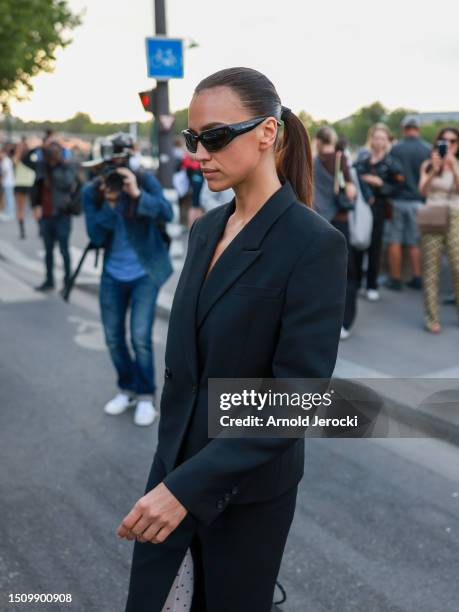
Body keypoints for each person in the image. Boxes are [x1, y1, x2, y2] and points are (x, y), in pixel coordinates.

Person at [117, 67, 347, 612]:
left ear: (267, 133)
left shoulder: (315, 244)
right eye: (193, 139)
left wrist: (188, 487)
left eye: (215, 137)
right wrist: (171, 476)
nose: (200, 152)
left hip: (244, 494)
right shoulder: (204, 229)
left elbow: (299, 399)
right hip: (172, 470)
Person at [82, 133, 174, 427]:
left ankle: (146, 396)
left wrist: (136, 195)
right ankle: (128, 389)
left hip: (145, 272)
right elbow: (95, 236)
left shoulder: (144, 181)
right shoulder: (92, 191)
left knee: (140, 338)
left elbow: (168, 212)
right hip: (112, 274)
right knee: (112, 337)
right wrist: (109, 204)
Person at [313, 125, 357, 340]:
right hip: (340, 222)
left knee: (322, 273)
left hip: (318, 222)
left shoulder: (313, 162)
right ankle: (346, 322)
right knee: (346, 274)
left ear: (319, 141)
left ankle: (324, 317)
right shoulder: (340, 160)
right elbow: (351, 192)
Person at [354, 124, 405, 301]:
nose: (379, 141)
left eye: (383, 138)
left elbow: (399, 186)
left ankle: (372, 285)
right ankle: (357, 282)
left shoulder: (392, 163)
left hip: (380, 209)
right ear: (371, 139)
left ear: (387, 141)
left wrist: (380, 184)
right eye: (376, 138)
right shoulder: (362, 162)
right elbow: (352, 178)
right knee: (359, 244)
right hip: (361, 209)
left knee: (375, 247)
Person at [418, 127, 459, 333]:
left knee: (457, 267)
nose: (449, 144)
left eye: (453, 141)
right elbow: (422, 190)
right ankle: (431, 317)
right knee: (431, 269)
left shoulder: (457, 164)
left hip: (455, 216)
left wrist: (454, 168)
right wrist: (435, 169)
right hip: (433, 216)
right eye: (445, 141)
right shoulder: (428, 164)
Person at [22, 140, 77, 292]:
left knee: (64, 250)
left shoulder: (66, 167)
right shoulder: (41, 166)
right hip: (45, 215)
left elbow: (67, 183)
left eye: (55, 151)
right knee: (48, 251)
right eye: (50, 152)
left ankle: (67, 280)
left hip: (62, 214)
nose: (52, 154)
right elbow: (24, 159)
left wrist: (57, 164)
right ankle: (49, 280)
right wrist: (39, 147)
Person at [385, 116, 431, 291]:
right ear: (418, 129)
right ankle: (417, 277)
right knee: (413, 241)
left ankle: (395, 279)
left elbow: (390, 174)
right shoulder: (427, 149)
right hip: (418, 201)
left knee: (394, 240)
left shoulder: (396, 149)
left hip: (398, 199)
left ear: (404, 128)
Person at [13, 138, 36, 239]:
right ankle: (40, 229)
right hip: (29, 183)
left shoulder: (18, 157)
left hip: (20, 184)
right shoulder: (32, 156)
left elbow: (15, 162)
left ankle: (22, 232)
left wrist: (19, 149)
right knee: (34, 206)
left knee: (21, 209)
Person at [0, 146, 16, 220]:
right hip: (8, 182)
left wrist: (2, 180)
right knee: (8, 198)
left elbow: (5, 172)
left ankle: (10, 213)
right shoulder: (5, 160)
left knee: (9, 198)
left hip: (8, 182)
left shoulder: (6, 160)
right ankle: (8, 212)